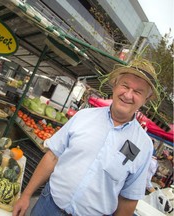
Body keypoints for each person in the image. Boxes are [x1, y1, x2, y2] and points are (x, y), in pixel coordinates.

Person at [13, 58, 160, 216]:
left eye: (138, 92)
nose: (128, 95)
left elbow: (128, 199)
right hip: (47, 207)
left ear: (146, 99)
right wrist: (26, 195)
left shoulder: (144, 146)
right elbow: (52, 157)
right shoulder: (83, 116)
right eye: (125, 85)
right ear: (115, 85)